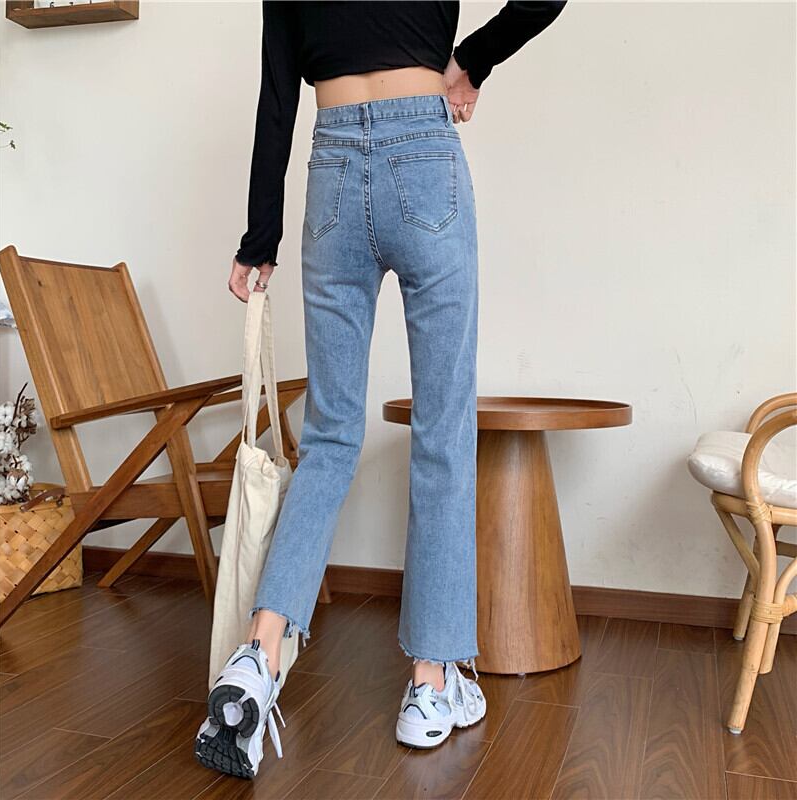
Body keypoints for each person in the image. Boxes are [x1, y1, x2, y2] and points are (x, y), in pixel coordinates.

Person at [195, 0, 567, 779]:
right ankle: (431, 684)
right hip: (424, 155)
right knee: (442, 429)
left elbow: (276, 95)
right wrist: (470, 61)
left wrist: (259, 237)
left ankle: (259, 655)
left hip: (331, 166)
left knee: (330, 436)